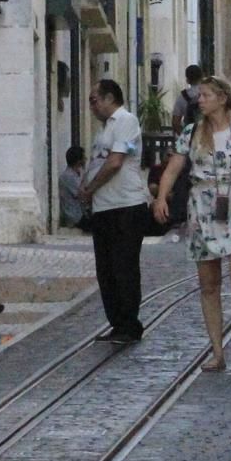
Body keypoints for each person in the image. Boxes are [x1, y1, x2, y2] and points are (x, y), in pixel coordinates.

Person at [152, 77, 231, 372]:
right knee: (209, 284)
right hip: (203, 207)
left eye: (205, 95)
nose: (200, 100)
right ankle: (217, 352)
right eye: (200, 96)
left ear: (222, 98)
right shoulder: (192, 132)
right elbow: (173, 168)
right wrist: (161, 197)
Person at [81, 79, 150, 343]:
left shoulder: (125, 121)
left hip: (126, 206)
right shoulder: (103, 130)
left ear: (110, 98)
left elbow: (115, 162)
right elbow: (98, 162)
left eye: (94, 100)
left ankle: (130, 325)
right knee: (106, 270)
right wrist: (86, 186)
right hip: (104, 207)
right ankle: (117, 323)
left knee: (124, 267)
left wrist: (90, 188)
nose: (91, 107)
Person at [170, 64, 205, 134]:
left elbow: (175, 122)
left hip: (190, 134)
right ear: (202, 77)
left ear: (187, 80)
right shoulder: (209, 94)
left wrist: (184, 136)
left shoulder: (182, 97)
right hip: (208, 134)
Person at [58, 146, 87, 228]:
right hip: (75, 216)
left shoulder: (78, 173)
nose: (86, 159)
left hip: (81, 213)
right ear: (78, 161)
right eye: (84, 157)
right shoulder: (68, 176)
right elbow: (82, 194)